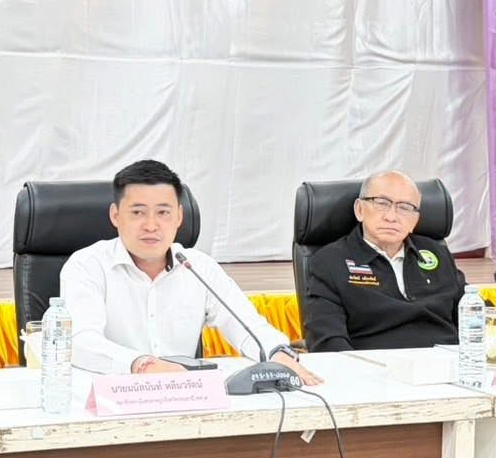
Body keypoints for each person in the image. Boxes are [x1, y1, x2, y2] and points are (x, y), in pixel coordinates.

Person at [59, 160, 320, 382]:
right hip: (107, 397)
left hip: (184, 396)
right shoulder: (87, 266)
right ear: (115, 216)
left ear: (179, 217)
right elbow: (80, 342)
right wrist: (141, 364)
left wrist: (277, 353)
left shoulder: (198, 267)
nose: (151, 225)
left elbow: (248, 325)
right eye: (138, 212)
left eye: (163, 212)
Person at [304, 171, 496, 351]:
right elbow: (328, 341)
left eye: (404, 208)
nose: (392, 216)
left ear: (415, 220)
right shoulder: (329, 262)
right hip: (380, 374)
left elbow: (476, 312)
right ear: (359, 210)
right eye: (381, 203)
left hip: (447, 368)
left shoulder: (435, 254)